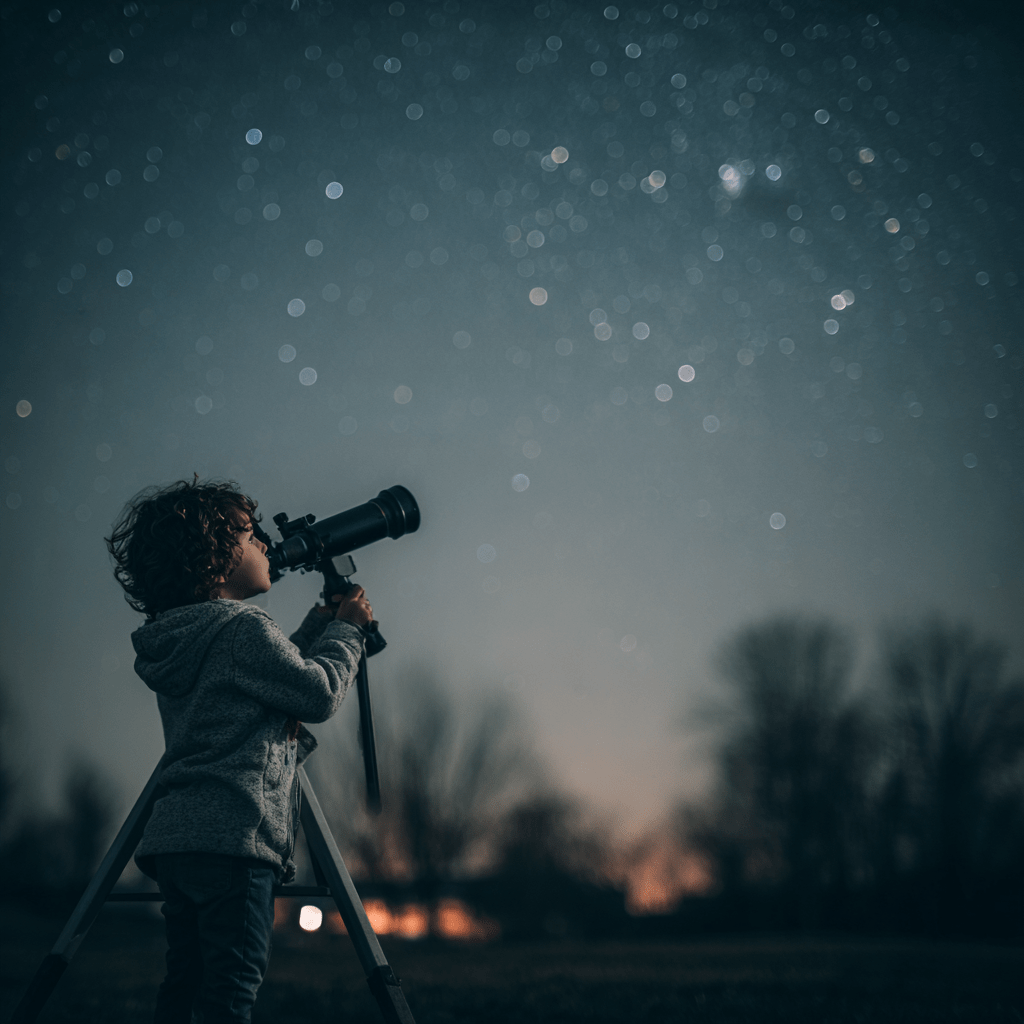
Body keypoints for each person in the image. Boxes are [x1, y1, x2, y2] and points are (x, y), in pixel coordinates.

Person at [106, 477, 371, 1024]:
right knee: (231, 987)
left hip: (180, 840)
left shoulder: (186, 636)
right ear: (216, 562)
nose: (265, 548)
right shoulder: (245, 629)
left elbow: (258, 684)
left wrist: (314, 627)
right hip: (236, 839)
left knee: (186, 981)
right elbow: (313, 692)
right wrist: (347, 634)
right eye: (251, 538)